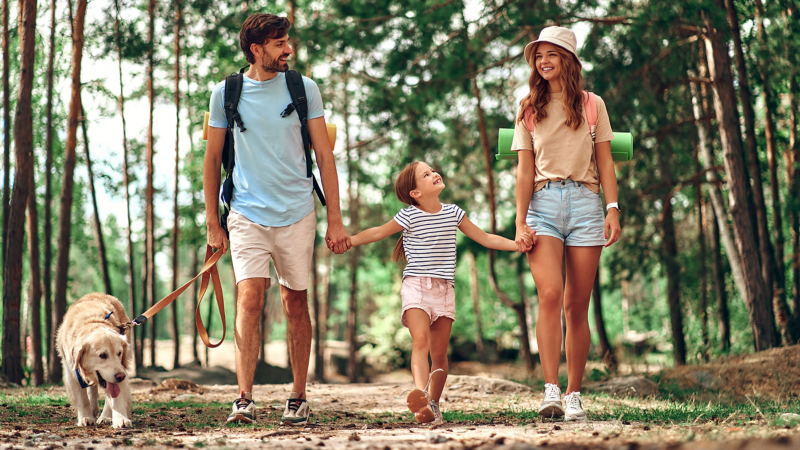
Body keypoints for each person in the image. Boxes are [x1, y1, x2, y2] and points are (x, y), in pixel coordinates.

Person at [203, 13, 350, 426]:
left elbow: (324, 155)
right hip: (246, 212)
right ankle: (244, 398)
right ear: (256, 49)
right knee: (249, 299)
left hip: (298, 212)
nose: (289, 50)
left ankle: (298, 396)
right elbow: (212, 160)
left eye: (288, 41)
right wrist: (214, 222)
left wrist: (335, 220)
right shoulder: (226, 94)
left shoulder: (303, 89)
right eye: (280, 43)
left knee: (294, 301)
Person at [339, 161, 535, 427]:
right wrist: (349, 240)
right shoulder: (408, 215)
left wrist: (516, 245)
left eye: (433, 171)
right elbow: (378, 232)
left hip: (444, 290)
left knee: (440, 354)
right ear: (415, 193)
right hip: (416, 286)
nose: (434, 174)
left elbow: (485, 238)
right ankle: (420, 396)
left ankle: (432, 403)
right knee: (420, 342)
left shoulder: (453, 213)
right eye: (426, 174)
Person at [511, 26, 621, 422]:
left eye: (551, 54)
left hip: (586, 205)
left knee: (578, 305)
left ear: (568, 60)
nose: (543, 61)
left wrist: (612, 208)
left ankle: (574, 393)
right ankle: (550, 390)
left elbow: (605, 160)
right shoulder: (528, 108)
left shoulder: (592, 105)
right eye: (538, 55)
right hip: (542, 204)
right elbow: (524, 172)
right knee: (550, 295)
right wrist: (520, 221)